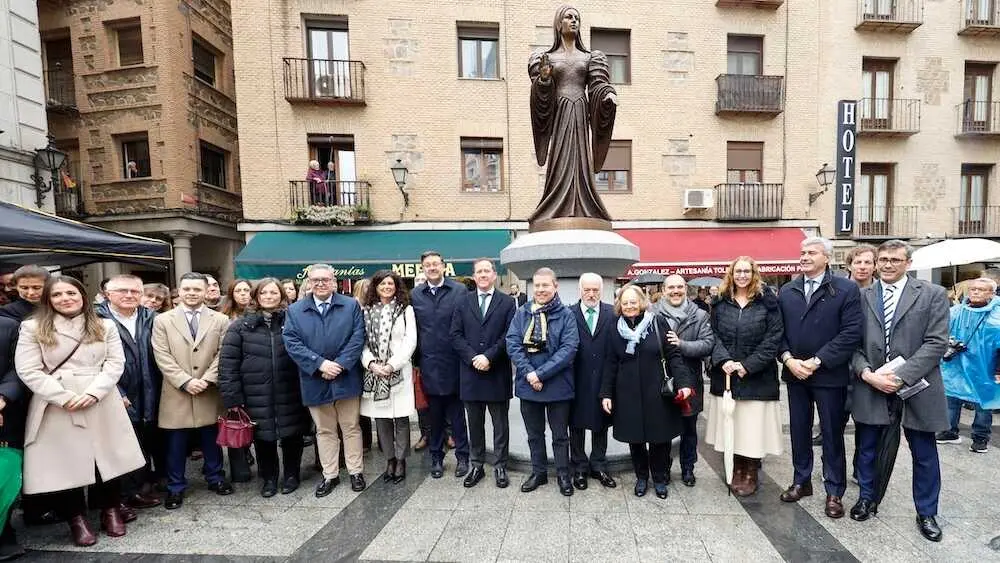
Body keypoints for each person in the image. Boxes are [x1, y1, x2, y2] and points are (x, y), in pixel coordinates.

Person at [15, 276, 145, 546]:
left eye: (71, 293)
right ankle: (76, 518)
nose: (65, 298)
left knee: (108, 458)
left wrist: (94, 392)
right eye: (58, 294)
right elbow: (28, 369)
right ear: (48, 300)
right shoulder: (33, 327)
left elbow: (114, 362)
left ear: (83, 295)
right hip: (56, 401)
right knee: (66, 463)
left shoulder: (103, 324)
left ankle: (110, 509)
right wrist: (62, 397)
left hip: (101, 397)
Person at [849, 240, 950, 542]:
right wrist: (867, 373)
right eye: (883, 259)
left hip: (918, 387)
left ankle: (927, 512)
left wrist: (900, 376)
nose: (888, 264)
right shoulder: (860, 296)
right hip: (871, 385)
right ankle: (867, 498)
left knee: (924, 453)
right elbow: (850, 343)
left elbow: (936, 342)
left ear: (908, 263)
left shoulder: (932, 294)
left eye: (895, 259)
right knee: (867, 448)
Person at [777, 238, 864, 519]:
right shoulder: (787, 290)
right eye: (802, 252)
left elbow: (851, 333)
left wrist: (816, 361)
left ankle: (834, 490)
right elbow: (777, 332)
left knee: (831, 434)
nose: (804, 256)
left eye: (811, 253)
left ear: (827, 257)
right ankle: (801, 481)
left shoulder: (846, 289)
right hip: (794, 373)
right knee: (799, 431)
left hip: (829, 374)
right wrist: (789, 359)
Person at [219, 278, 311, 498]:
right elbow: (228, 364)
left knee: (292, 436)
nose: (269, 297)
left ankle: (291, 475)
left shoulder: (293, 321)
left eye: (274, 293)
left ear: (282, 296)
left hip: (290, 390)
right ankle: (268, 478)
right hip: (255, 393)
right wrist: (232, 397)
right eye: (264, 293)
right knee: (263, 439)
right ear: (256, 297)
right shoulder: (240, 326)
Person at [527, 5, 617, 228]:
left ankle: (585, 205)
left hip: (579, 112)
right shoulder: (546, 57)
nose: (574, 21)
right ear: (559, 23)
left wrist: (607, 96)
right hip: (560, 114)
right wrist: (545, 79)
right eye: (569, 17)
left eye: (577, 18)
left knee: (580, 159)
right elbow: (540, 92)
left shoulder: (590, 57)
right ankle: (556, 205)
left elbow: (598, 85)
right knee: (560, 159)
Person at [601, 285, 693, 499]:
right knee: (636, 439)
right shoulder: (614, 327)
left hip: (657, 392)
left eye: (633, 302)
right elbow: (610, 363)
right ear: (620, 306)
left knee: (660, 439)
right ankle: (641, 477)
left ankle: (659, 478)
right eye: (625, 302)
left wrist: (684, 383)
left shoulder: (657, 322)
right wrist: (606, 393)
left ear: (641, 302)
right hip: (627, 394)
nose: (630, 306)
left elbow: (673, 355)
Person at [283, 264, 367, 496]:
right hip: (314, 378)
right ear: (308, 282)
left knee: (351, 427)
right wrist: (320, 363)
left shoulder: (350, 306)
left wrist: (340, 364)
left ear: (334, 282)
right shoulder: (296, 310)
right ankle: (330, 475)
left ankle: (355, 471)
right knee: (324, 430)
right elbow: (292, 342)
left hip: (346, 376)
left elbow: (358, 337)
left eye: (325, 279)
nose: (320, 283)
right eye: (316, 280)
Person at [151, 272, 233, 510]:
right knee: (176, 443)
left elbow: (223, 353)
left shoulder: (219, 320)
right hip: (177, 391)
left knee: (211, 439)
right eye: (187, 289)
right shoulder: (163, 320)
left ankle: (215, 477)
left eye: (197, 289)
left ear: (206, 291)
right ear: (179, 290)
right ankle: (175, 487)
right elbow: (161, 355)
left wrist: (207, 379)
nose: (192, 293)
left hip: (208, 389)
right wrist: (185, 381)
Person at [705, 256, 784, 497]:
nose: (742, 275)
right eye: (737, 271)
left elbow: (774, 338)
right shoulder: (720, 303)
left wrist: (747, 365)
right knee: (734, 424)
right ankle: (736, 467)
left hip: (757, 377)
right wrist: (725, 361)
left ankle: (750, 470)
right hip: (727, 375)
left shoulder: (767, 303)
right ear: (731, 274)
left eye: (746, 271)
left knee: (752, 427)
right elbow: (713, 334)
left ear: (753, 274)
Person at [505, 267, 579, 496]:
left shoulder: (566, 314)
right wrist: (529, 373)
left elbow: (569, 349)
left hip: (558, 385)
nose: (540, 289)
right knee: (534, 434)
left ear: (555, 286)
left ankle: (563, 474)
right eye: (537, 285)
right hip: (529, 385)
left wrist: (541, 374)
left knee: (560, 435)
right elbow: (512, 343)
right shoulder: (523, 313)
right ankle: (539, 472)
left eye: (545, 285)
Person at [95, 275, 164, 511]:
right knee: (116, 445)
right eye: (122, 290)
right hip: (114, 390)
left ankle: (135, 491)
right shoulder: (95, 319)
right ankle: (114, 500)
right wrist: (116, 390)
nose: (129, 295)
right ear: (108, 294)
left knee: (141, 440)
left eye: (135, 291)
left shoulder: (151, 318)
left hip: (149, 388)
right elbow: (92, 361)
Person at [450, 259, 516, 489]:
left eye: (487, 270)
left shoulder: (508, 303)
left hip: (496, 372)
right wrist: (473, 358)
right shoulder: (462, 301)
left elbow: (509, 336)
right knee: (474, 424)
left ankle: (500, 466)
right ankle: (477, 464)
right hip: (471, 374)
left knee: (500, 425)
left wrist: (488, 357)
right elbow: (455, 335)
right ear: (474, 276)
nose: (483, 274)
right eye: (479, 271)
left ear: (494, 275)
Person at [410, 251, 470, 479]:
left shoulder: (459, 291)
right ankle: (436, 457)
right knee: (434, 417)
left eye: (436, 264)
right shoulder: (416, 295)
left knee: (457, 416)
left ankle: (463, 457)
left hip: (455, 363)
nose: (432, 267)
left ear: (444, 266)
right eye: (427, 265)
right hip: (429, 364)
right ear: (422, 269)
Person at [655, 274, 714, 487]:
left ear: (685, 289)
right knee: (662, 427)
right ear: (664, 291)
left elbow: (708, 344)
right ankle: (664, 467)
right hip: (660, 380)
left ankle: (688, 468)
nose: (675, 291)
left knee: (689, 428)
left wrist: (680, 344)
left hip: (689, 380)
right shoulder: (652, 313)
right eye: (671, 287)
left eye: (680, 287)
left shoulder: (699, 315)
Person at [360, 270, 417, 484]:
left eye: (390, 284)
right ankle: (389, 459)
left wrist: (392, 364)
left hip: (398, 371)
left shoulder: (406, 310)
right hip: (374, 374)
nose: (386, 287)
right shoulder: (366, 311)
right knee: (382, 420)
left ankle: (401, 460)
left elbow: (410, 341)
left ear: (397, 287)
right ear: (375, 286)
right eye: (382, 284)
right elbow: (361, 342)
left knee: (401, 418)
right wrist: (372, 364)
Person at [937, 277, 999, 453]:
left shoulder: (997, 315)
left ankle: (980, 438)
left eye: (981, 289)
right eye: (972, 289)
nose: (975, 292)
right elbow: (941, 331)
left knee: (983, 403)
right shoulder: (956, 311)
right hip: (955, 364)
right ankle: (949, 431)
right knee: (951, 397)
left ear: (992, 293)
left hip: (986, 365)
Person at [568, 273, 617, 491]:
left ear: (601, 290)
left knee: (601, 423)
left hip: (604, 379)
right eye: (587, 290)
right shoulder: (569, 313)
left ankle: (598, 464)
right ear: (580, 291)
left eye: (595, 290)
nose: (591, 294)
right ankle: (579, 466)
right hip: (575, 380)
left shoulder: (612, 313)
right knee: (576, 425)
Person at [0, 313, 25, 559]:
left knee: (3, 479)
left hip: (5, 412)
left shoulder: (8, 327)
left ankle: (5, 532)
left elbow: (19, 369)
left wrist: (2, 398)